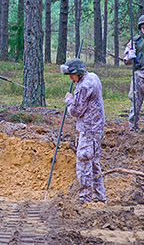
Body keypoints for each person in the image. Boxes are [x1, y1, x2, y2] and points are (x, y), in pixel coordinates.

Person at [61, 58, 106, 204]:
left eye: (71, 75)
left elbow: (76, 111)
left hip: (89, 129)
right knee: (94, 163)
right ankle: (100, 197)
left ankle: (85, 198)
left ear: (78, 73)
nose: (70, 78)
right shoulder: (93, 76)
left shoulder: (84, 86)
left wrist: (69, 100)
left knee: (84, 161)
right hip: (97, 128)